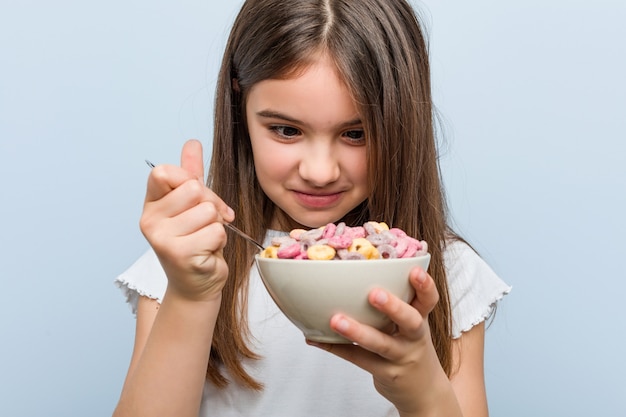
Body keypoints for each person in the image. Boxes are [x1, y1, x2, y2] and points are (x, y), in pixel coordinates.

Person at [113, 0, 511, 416]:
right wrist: (191, 296)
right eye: (286, 130)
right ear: (238, 99)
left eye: (356, 133)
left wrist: (424, 392)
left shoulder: (448, 272)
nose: (320, 172)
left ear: (403, 121)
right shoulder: (187, 258)